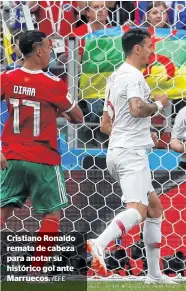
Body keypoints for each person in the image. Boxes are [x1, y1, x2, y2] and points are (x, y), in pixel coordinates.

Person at [87, 28, 175, 284]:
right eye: (148, 46)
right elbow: (137, 109)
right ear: (137, 48)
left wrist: (133, 136)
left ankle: (155, 275)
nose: (151, 50)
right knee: (138, 209)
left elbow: (105, 124)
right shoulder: (134, 77)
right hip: (130, 153)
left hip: (117, 150)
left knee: (155, 209)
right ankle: (99, 243)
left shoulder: (115, 77)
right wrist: (159, 104)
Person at [0, 30, 83, 273]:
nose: (51, 52)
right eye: (48, 47)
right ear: (38, 51)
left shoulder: (6, 78)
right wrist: (59, 110)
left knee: (2, 212)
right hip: (43, 159)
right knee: (51, 215)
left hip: (12, 157)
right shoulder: (53, 83)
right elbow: (77, 117)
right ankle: (37, 271)